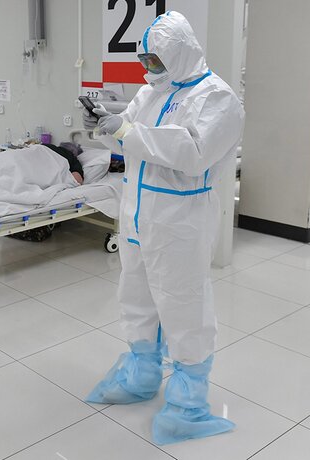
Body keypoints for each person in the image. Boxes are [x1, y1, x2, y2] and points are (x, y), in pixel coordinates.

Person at [82, 11, 244, 446]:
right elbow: (130, 138)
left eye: (155, 59)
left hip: (179, 219)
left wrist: (127, 129)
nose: (149, 67)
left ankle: (189, 402)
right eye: (145, 59)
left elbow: (191, 153)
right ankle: (141, 373)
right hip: (137, 214)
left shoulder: (217, 97)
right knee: (136, 296)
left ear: (180, 53)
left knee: (183, 303)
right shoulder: (153, 90)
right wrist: (105, 125)